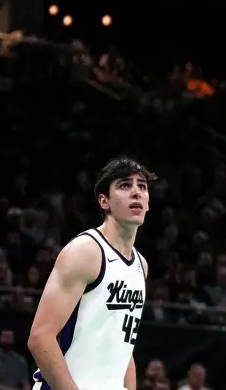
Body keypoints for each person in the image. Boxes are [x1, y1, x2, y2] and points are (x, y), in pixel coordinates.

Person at [28, 157, 154, 390]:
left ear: (147, 203)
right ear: (104, 201)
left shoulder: (141, 265)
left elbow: (124, 345)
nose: (136, 192)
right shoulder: (85, 252)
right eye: (125, 185)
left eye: (142, 187)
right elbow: (40, 337)